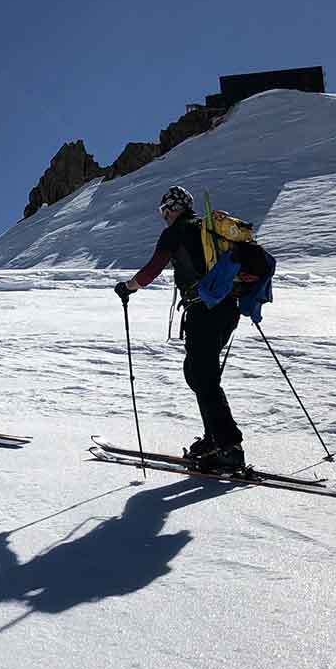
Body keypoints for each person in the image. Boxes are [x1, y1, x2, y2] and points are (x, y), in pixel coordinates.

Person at [114, 185, 245, 472]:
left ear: (174, 208)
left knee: (202, 376)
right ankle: (215, 439)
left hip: (204, 310)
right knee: (200, 373)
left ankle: (229, 448)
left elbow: (152, 269)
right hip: (226, 310)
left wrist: (128, 287)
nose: (164, 216)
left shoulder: (177, 231)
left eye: (164, 211)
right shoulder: (206, 229)